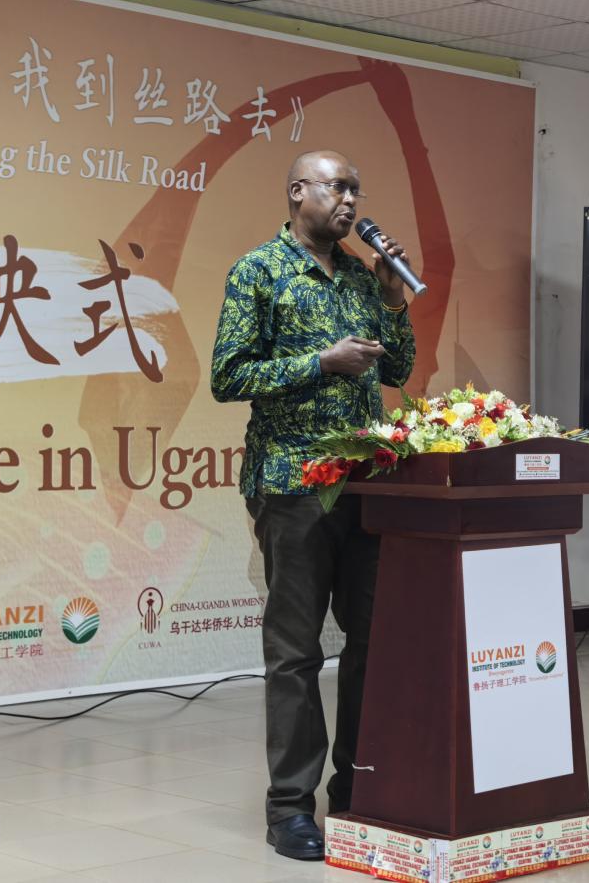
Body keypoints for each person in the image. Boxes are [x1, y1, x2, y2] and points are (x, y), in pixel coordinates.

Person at [210, 150, 416, 861]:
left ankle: (356, 789)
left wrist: (392, 298)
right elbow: (228, 375)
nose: (350, 201)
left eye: (356, 189)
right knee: (296, 654)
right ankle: (291, 809)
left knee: (372, 643)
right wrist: (320, 362)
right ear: (299, 192)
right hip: (293, 485)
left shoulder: (360, 276)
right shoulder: (259, 270)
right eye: (337, 187)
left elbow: (398, 369)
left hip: (366, 486)